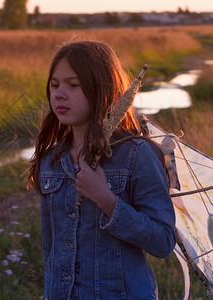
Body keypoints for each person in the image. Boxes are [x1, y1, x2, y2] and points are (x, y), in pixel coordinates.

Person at [27, 40, 176, 299]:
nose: (59, 94)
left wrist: (106, 200)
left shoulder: (136, 154)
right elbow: (51, 250)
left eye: (73, 85)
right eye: (54, 85)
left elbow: (163, 241)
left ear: (101, 89)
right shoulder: (51, 160)